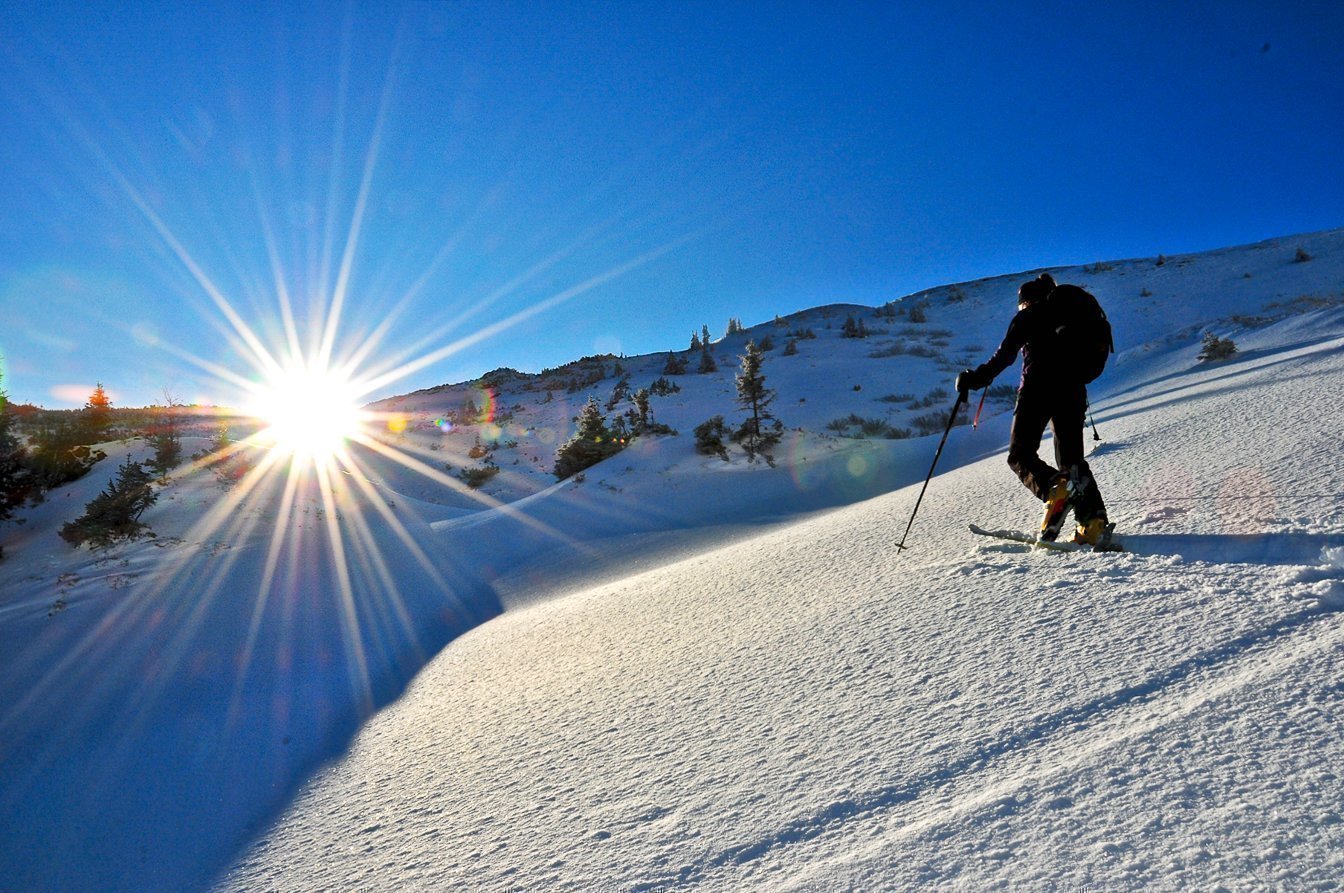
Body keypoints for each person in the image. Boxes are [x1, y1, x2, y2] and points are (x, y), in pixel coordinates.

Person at [955, 272, 1109, 544]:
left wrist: (974, 379)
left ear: (1026, 300)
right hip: (1073, 391)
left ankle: (1054, 488)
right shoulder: (1070, 314)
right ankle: (1093, 524)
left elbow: (1004, 356)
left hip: (1036, 390)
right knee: (1072, 461)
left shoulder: (1030, 316)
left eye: (1021, 303)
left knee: (1020, 455)